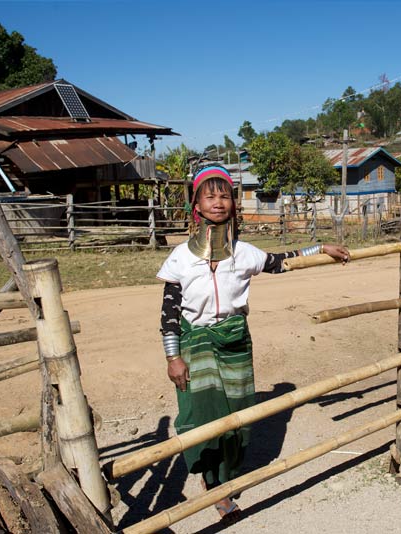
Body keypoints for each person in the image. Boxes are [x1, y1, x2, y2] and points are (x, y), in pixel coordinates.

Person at [156, 164, 348, 524]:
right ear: (195, 204)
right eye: (209, 195)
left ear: (233, 203)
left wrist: (321, 247)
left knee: (238, 416)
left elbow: (281, 261)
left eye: (224, 194)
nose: (218, 202)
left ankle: (228, 475)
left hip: (235, 343)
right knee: (203, 415)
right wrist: (173, 357)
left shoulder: (244, 253)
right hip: (195, 344)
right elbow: (168, 313)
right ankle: (214, 485)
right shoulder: (180, 257)